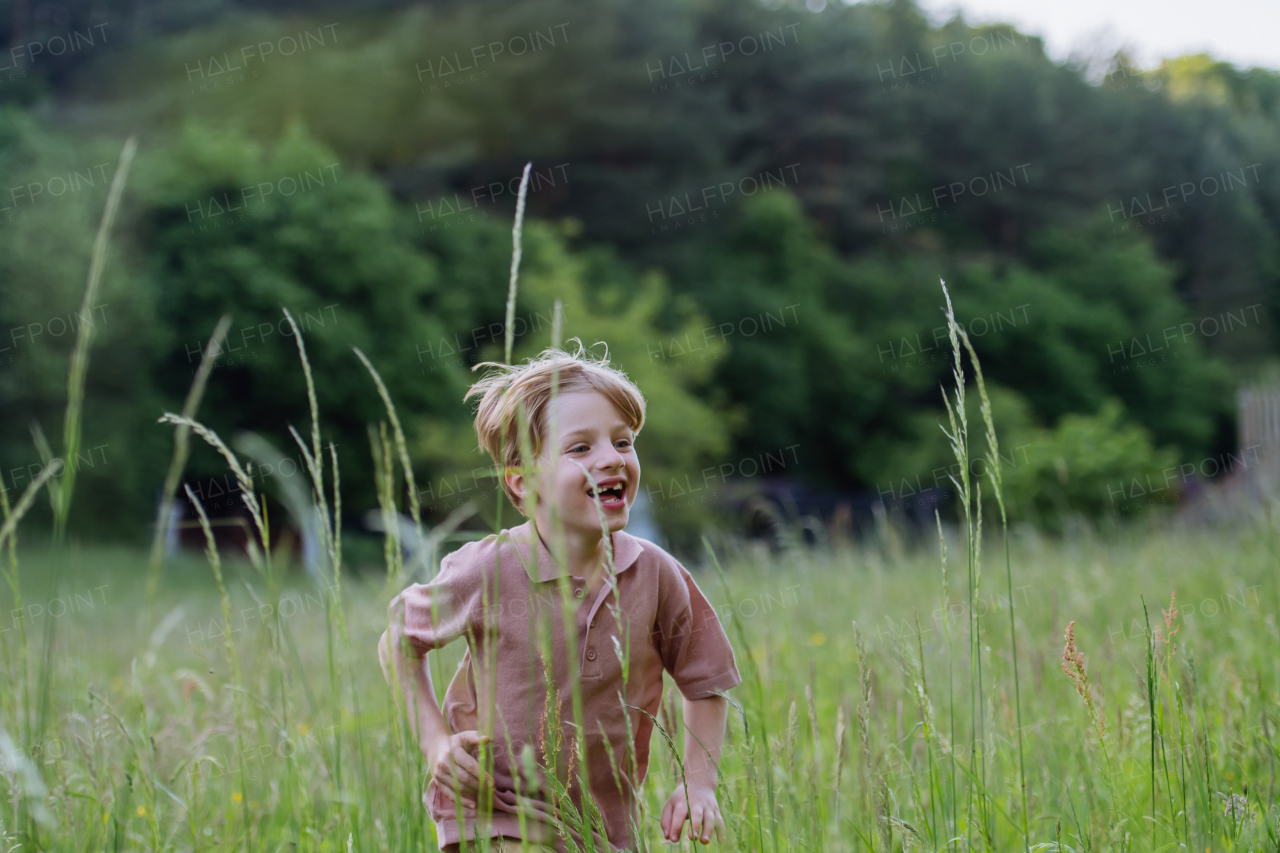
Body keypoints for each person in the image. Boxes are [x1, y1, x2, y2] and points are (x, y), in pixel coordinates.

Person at [378, 343, 742, 852]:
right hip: (496, 808)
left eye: (623, 442)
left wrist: (699, 782)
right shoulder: (487, 569)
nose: (611, 459)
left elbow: (705, 681)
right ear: (524, 484)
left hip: (607, 824)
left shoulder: (655, 574)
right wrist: (436, 743)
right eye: (580, 448)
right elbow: (399, 639)